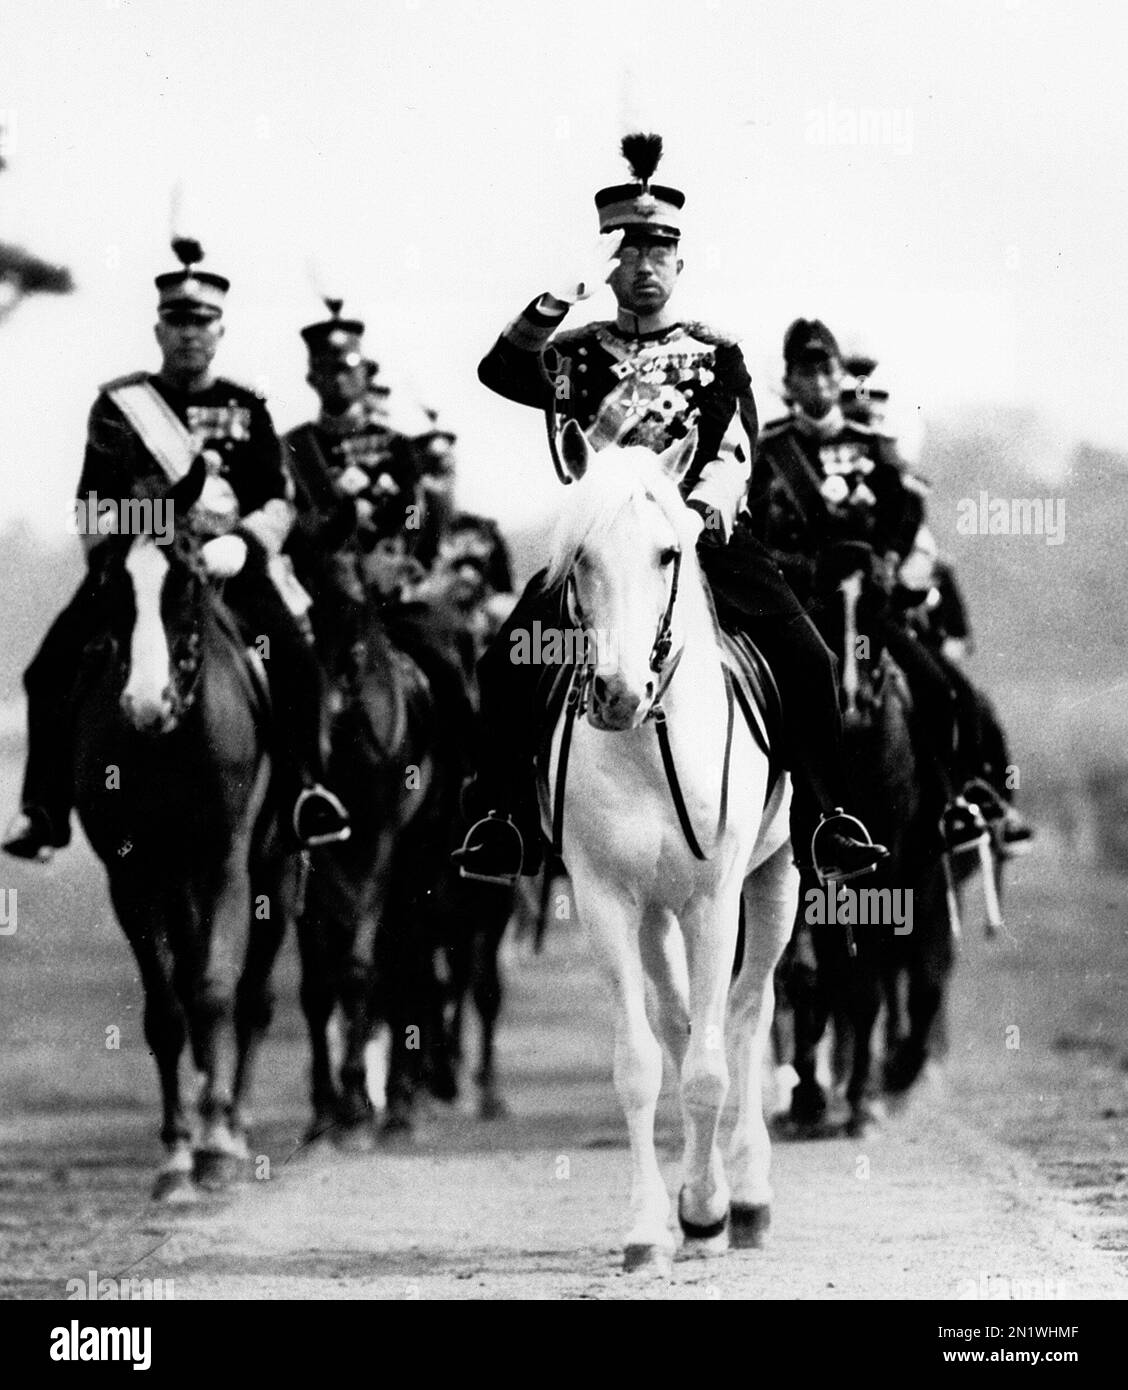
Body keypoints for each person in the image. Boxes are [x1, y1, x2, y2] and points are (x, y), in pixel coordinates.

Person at [455, 133, 889, 887]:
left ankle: (824, 820)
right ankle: (504, 820)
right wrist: (561, 292)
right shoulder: (577, 353)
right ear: (608, 263)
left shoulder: (715, 355)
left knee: (810, 658)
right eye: (627, 252)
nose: (644, 267)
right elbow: (500, 370)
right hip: (601, 549)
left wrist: (699, 512)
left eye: (659, 254)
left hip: (701, 539)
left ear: (679, 265)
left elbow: (736, 449)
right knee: (509, 658)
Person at [2, 238, 349, 861]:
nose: (190, 335)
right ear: (159, 329)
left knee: (295, 657)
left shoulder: (248, 407)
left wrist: (242, 545)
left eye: (203, 323)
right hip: (143, 566)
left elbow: (278, 498)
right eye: (178, 323)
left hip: (230, 569)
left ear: (221, 331)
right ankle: (45, 810)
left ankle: (305, 793)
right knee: (50, 666)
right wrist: (148, 535)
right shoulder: (119, 407)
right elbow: (93, 505)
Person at [748, 320, 1029, 852]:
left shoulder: (875, 445)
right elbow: (754, 535)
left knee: (941, 688)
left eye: (826, 368)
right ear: (788, 381)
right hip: (801, 613)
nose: (819, 381)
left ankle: (957, 801)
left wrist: (888, 561)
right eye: (805, 371)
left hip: (871, 612)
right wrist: (804, 568)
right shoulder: (769, 453)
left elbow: (908, 510)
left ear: (839, 376)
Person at [842, 350, 1032, 849]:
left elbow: (950, 626)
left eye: (876, 411)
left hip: (892, 627)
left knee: (959, 697)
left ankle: (967, 798)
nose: (868, 422)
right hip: (838, 618)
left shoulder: (910, 506)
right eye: (857, 410)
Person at [283, 300, 475, 759]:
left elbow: (415, 512)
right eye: (325, 370)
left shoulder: (398, 446)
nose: (337, 378)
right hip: (320, 595)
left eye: (347, 367)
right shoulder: (294, 446)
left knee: (442, 659)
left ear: (364, 374)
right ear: (311, 378)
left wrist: (392, 554)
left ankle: (467, 779)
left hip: (389, 592)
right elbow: (291, 519)